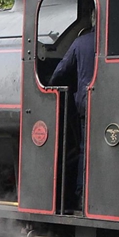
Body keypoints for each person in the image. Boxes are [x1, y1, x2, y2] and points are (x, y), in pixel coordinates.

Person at [49, 16, 96, 209]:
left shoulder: (81, 42)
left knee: (86, 150)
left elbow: (61, 72)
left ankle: (81, 195)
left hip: (88, 104)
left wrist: (50, 87)